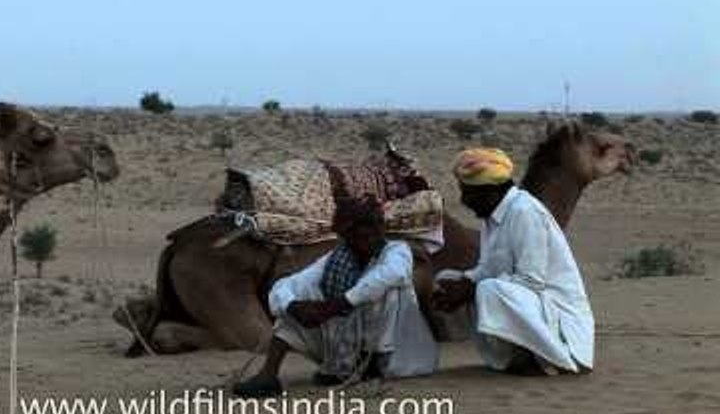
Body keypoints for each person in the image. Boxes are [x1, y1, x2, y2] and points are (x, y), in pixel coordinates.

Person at [232, 194, 438, 398]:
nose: (372, 236)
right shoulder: (335, 261)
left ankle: (372, 369)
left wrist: (337, 305)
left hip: (398, 358)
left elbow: (391, 274)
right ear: (346, 236)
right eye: (361, 232)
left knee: (387, 290)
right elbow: (284, 287)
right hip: (346, 350)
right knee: (296, 300)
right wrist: (294, 307)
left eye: (375, 228)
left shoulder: (397, 252)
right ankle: (269, 376)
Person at [432, 148, 594, 375]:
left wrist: (470, 289)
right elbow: (488, 268)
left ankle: (546, 358)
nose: (464, 201)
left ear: (490, 191)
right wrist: (462, 283)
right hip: (533, 305)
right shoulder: (494, 218)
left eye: (468, 193)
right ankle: (515, 357)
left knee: (488, 289)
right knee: (449, 278)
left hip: (559, 319)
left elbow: (531, 281)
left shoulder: (525, 212)